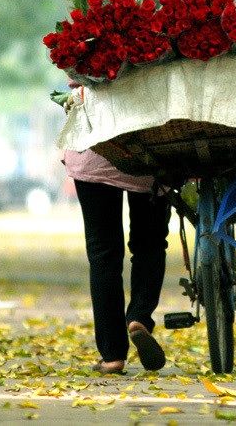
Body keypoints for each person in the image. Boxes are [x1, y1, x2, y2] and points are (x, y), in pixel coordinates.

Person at [64, 148, 170, 374]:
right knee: (149, 244)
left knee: (103, 253)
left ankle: (112, 356)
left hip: (94, 155)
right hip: (149, 154)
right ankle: (139, 317)